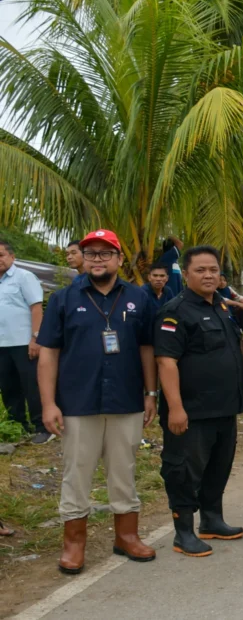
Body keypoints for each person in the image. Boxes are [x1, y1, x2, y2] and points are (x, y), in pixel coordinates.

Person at [36, 229, 158, 575]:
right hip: (77, 402)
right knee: (77, 474)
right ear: (82, 258)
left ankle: (127, 536)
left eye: (106, 253)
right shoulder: (63, 299)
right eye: (91, 254)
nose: (98, 259)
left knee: (124, 472)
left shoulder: (139, 298)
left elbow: (148, 348)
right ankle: (74, 543)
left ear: (120, 259)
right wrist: (48, 404)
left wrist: (151, 394)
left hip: (126, 399)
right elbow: (48, 354)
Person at [155, 246, 243, 558]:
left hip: (224, 407)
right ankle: (184, 532)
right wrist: (176, 407)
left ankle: (212, 520)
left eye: (213, 270)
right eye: (201, 270)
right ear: (187, 274)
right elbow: (166, 362)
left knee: (217, 468)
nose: (209, 275)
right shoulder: (175, 311)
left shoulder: (222, 306)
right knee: (183, 471)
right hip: (191, 411)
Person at [0, 239, 48, 443]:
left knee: (32, 386)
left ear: (12, 256)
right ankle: (17, 424)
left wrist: (36, 338)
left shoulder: (24, 277)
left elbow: (36, 308)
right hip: (2, 344)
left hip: (23, 342)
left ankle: (42, 427)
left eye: (1, 255)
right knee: (8, 386)